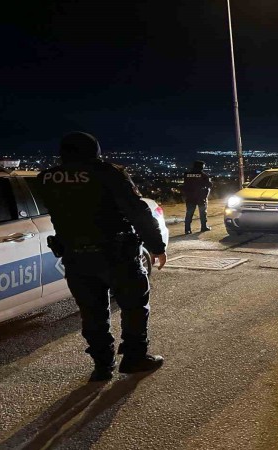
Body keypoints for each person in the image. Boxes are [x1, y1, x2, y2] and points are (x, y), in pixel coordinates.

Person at [38, 132, 167, 382]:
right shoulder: (109, 173)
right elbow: (137, 212)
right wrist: (156, 247)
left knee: (92, 313)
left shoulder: (47, 178)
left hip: (76, 257)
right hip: (116, 255)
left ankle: (102, 365)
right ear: (95, 150)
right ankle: (134, 358)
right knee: (134, 307)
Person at [182, 160, 213, 234]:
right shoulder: (203, 175)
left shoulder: (187, 174)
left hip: (190, 197)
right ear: (201, 167)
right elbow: (209, 185)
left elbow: (185, 185)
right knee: (203, 213)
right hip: (200, 197)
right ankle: (203, 227)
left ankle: (187, 229)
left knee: (189, 214)